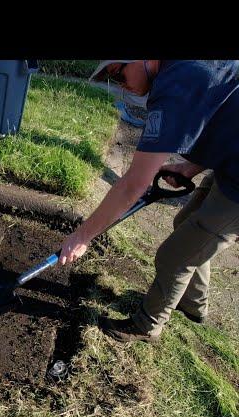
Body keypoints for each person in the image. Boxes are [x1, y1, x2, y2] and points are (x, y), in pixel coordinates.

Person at [59, 60, 239, 343]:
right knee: (185, 225)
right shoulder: (184, 68)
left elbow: (133, 184)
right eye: (112, 78)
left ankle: (147, 325)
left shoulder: (174, 87)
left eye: (119, 73)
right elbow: (221, 111)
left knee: (174, 257)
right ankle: (193, 304)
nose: (120, 84)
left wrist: (83, 236)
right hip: (230, 164)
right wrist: (190, 168)